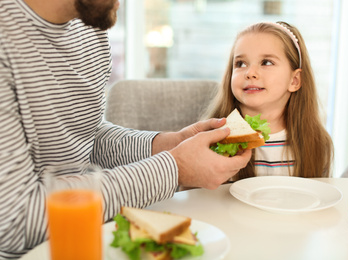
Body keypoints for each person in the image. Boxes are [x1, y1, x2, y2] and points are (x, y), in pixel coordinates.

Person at [0, 0, 251, 258]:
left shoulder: (90, 28)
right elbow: (14, 221)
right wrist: (175, 169)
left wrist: (166, 145)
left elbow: (86, 136)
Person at [202, 21, 333, 181]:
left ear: (294, 80)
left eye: (266, 62)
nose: (250, 73)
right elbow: (193, 196)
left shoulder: (318, 143)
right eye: (240, 64)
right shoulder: (211, 138)